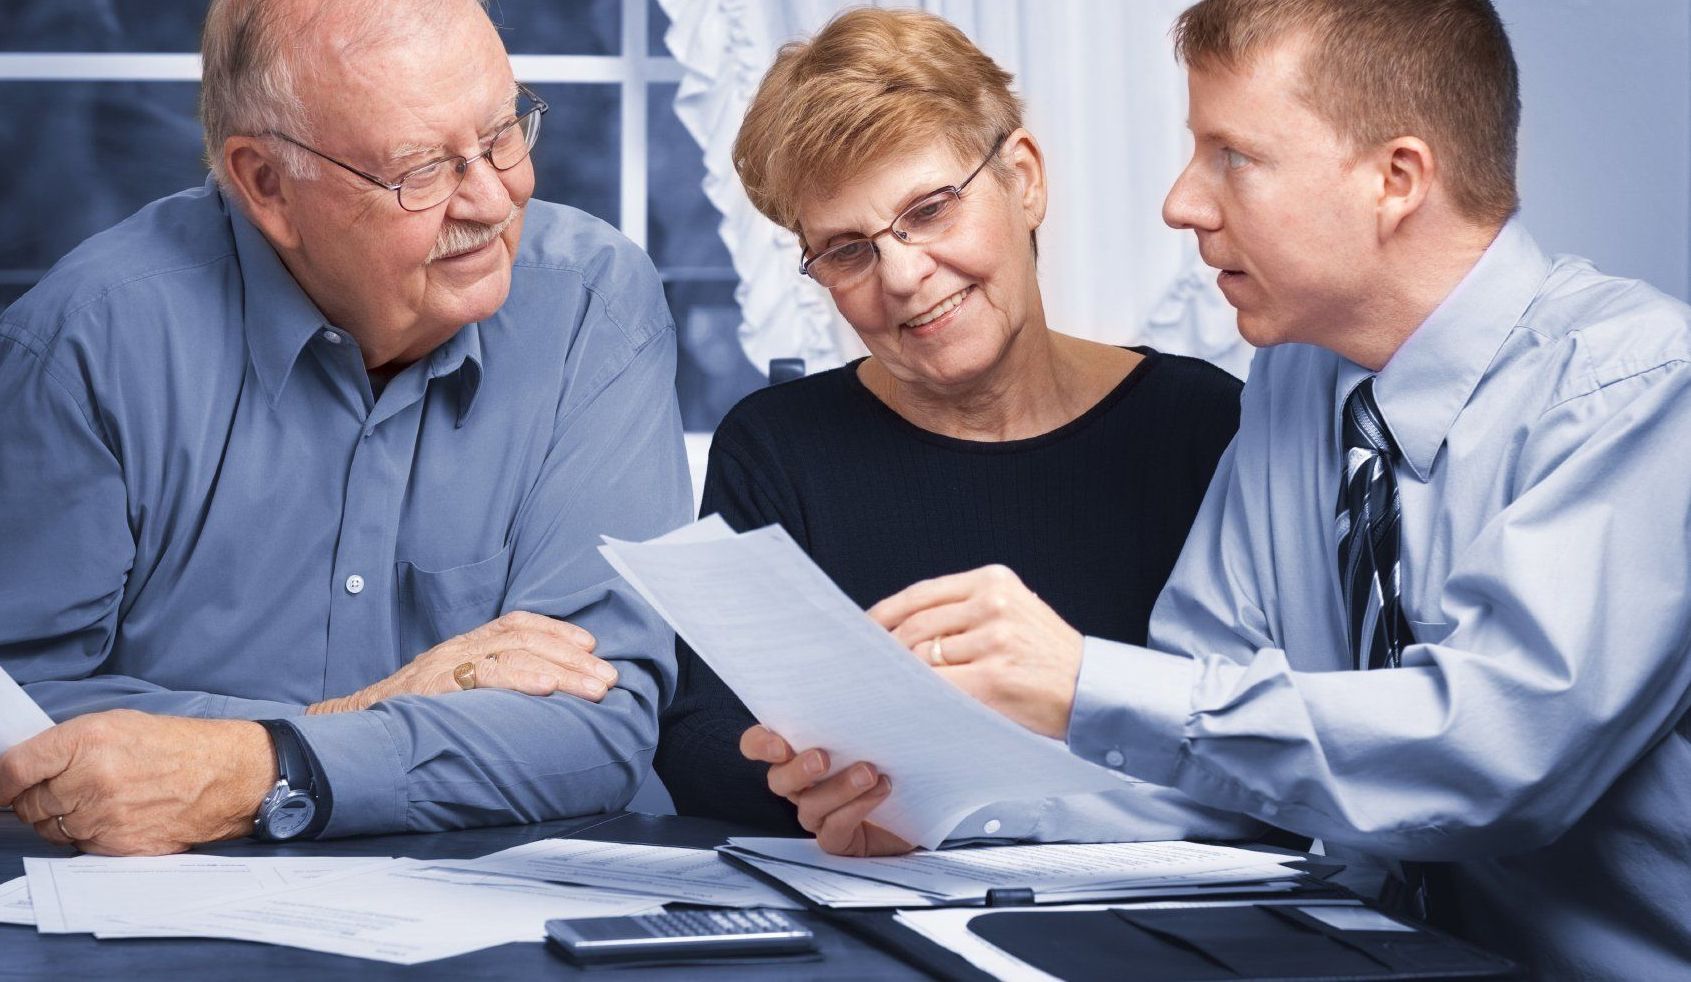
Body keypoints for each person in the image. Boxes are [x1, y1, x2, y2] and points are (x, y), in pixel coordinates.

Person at [759, 0, 1691, 974]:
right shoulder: (1296, 382)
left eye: (1231, 156)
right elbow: (1207, 761)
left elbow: (1494, 757)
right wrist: (943, 817)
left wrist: (1079, 680)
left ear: (1396, 179)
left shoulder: (1641, 387)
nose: (1181, 203)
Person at [0, 0, 691, 856]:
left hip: (496, 905)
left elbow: (597, 725)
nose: (493, 198)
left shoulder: (592, 305)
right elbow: (20, 714)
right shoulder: (85, 343)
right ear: (267, 185)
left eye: (502, 134)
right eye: (421, 169)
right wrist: (361, 719)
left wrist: (257, 766)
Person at [655, 7, 1257, 853]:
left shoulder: (1204, 423)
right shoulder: (775, 445)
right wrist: (816, 790)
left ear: (1025, 179)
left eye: (931, 209)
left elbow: (1265, 739)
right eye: (847, 250)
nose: (903, 275)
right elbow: (700, 735)